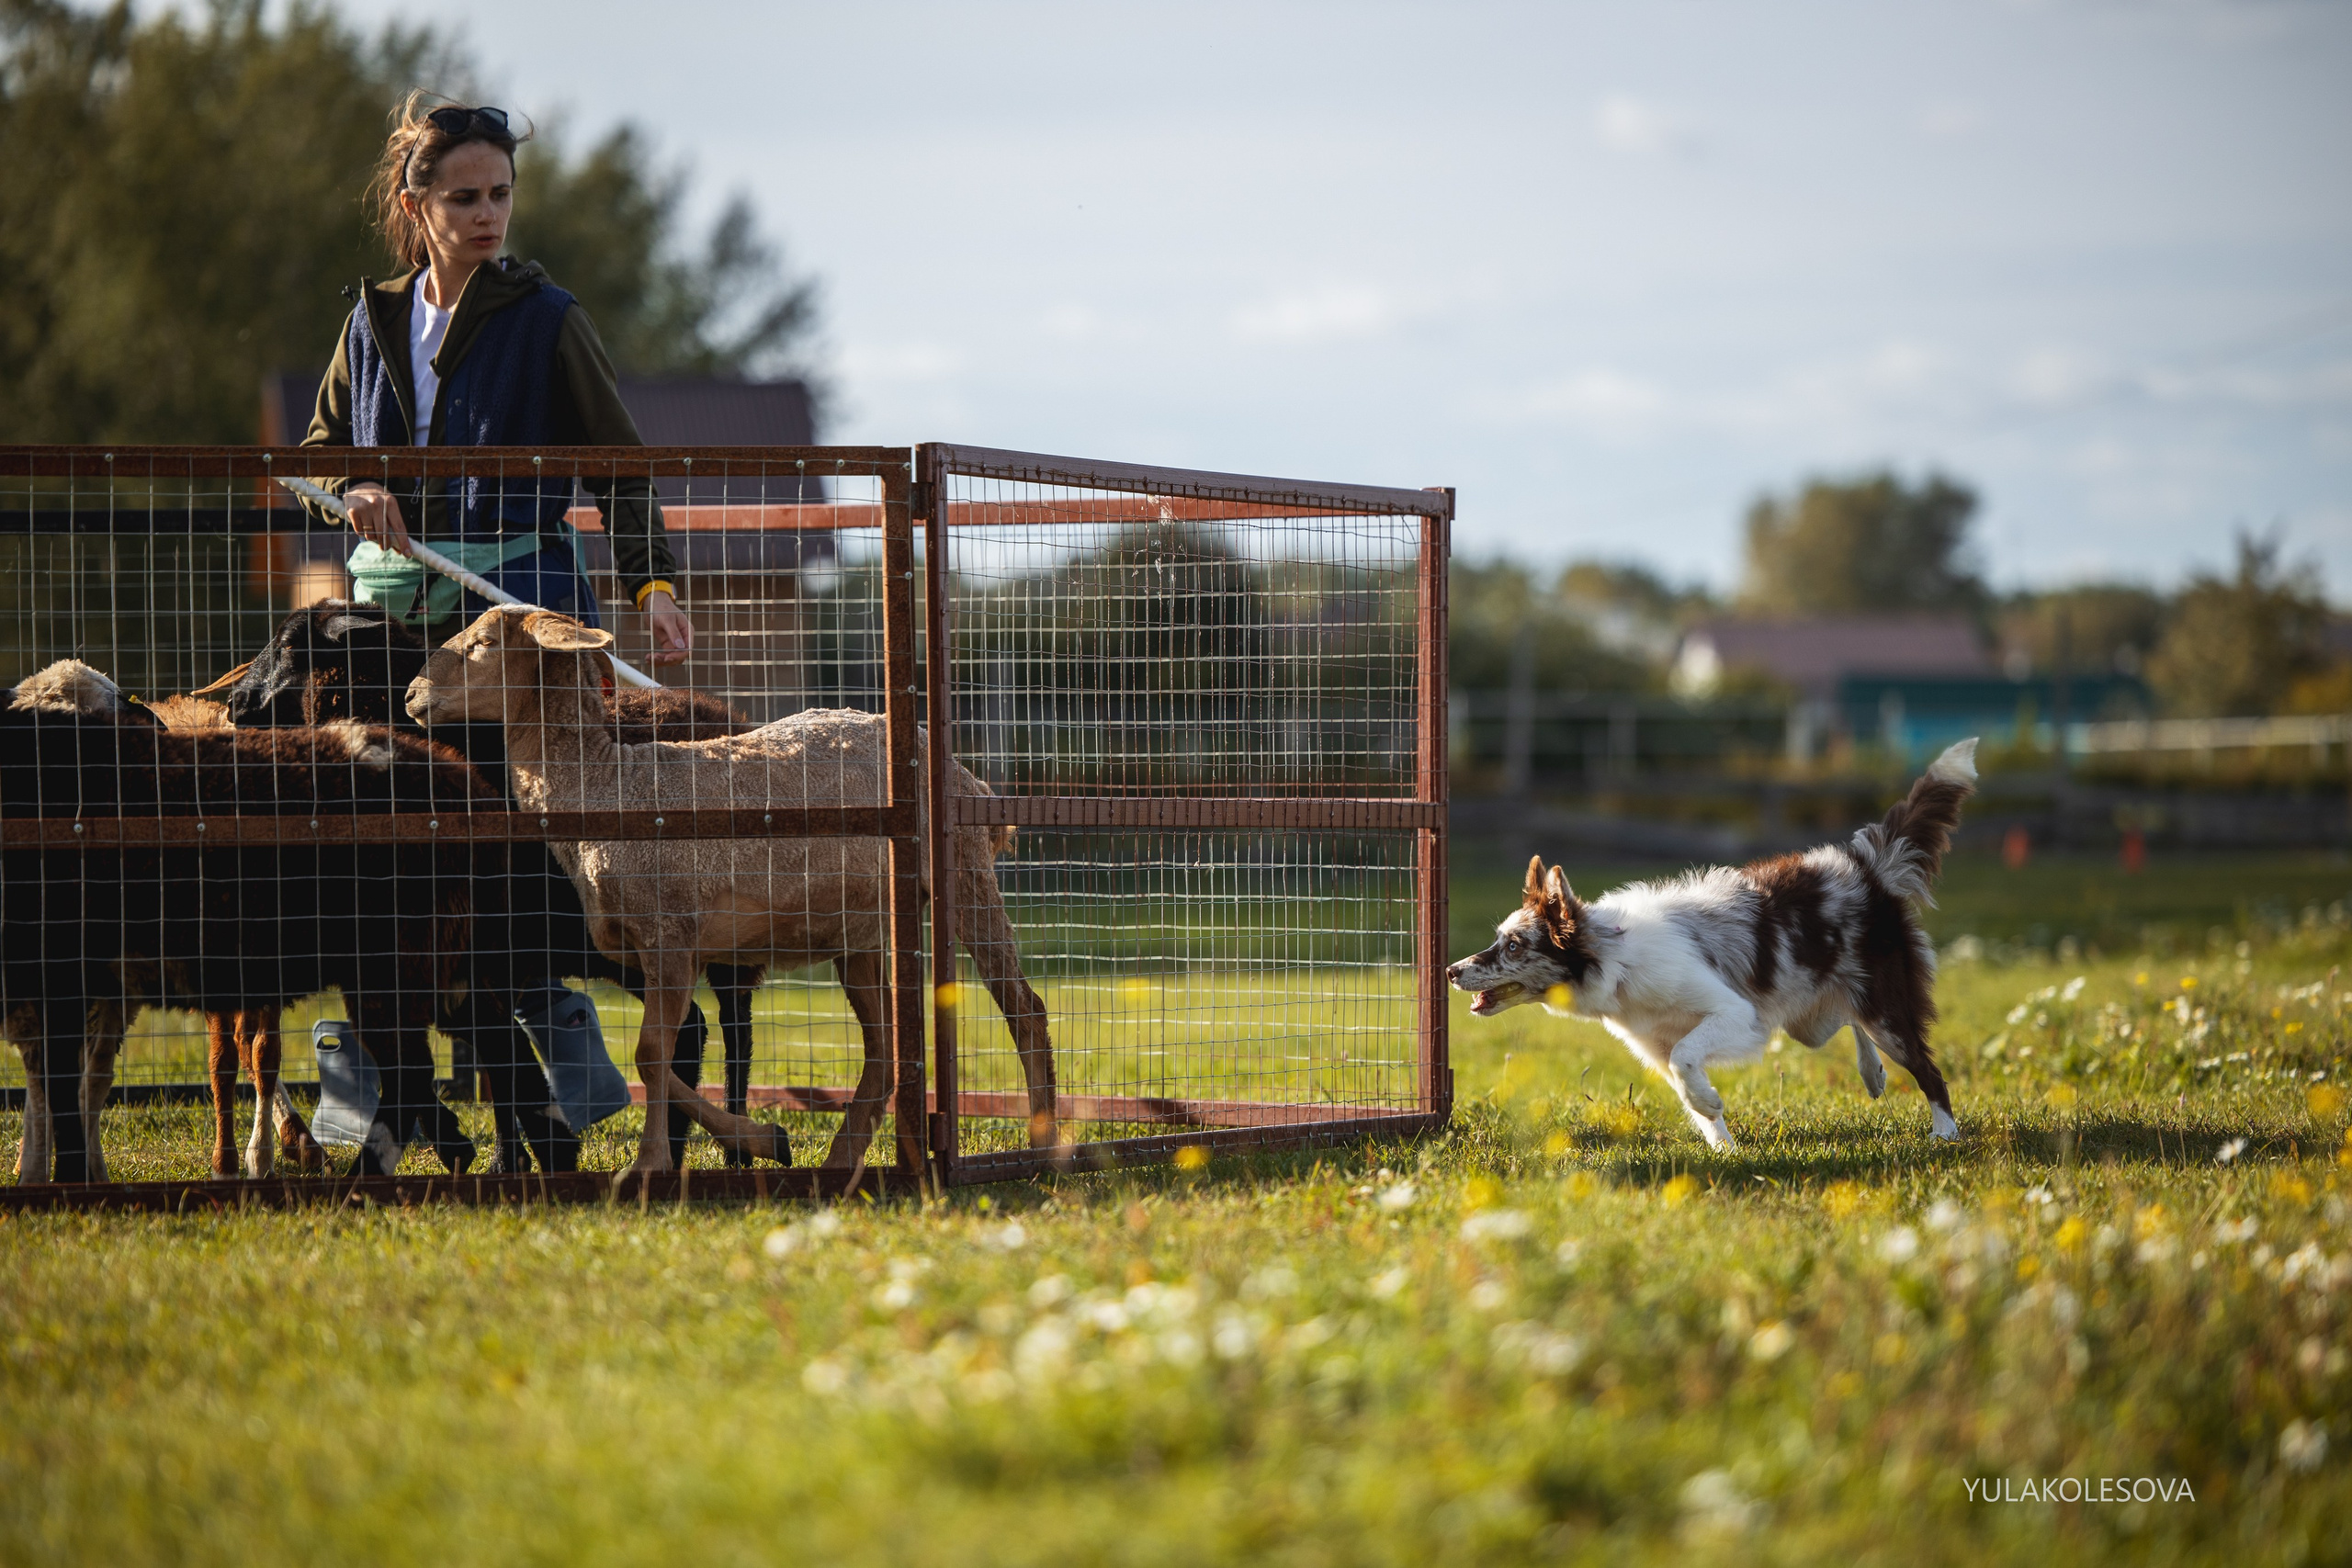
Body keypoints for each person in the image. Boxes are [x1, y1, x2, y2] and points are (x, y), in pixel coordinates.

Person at [299, 96, 691, 660]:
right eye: (465, 198)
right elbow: (317, 455)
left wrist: (653, 589)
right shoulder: (369, 323)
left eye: (500, 194)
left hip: (526, 621)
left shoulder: (552, 318)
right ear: (415, 207)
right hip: (392, 627)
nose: (488, 214)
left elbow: (620, 468)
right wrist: (352, 489)